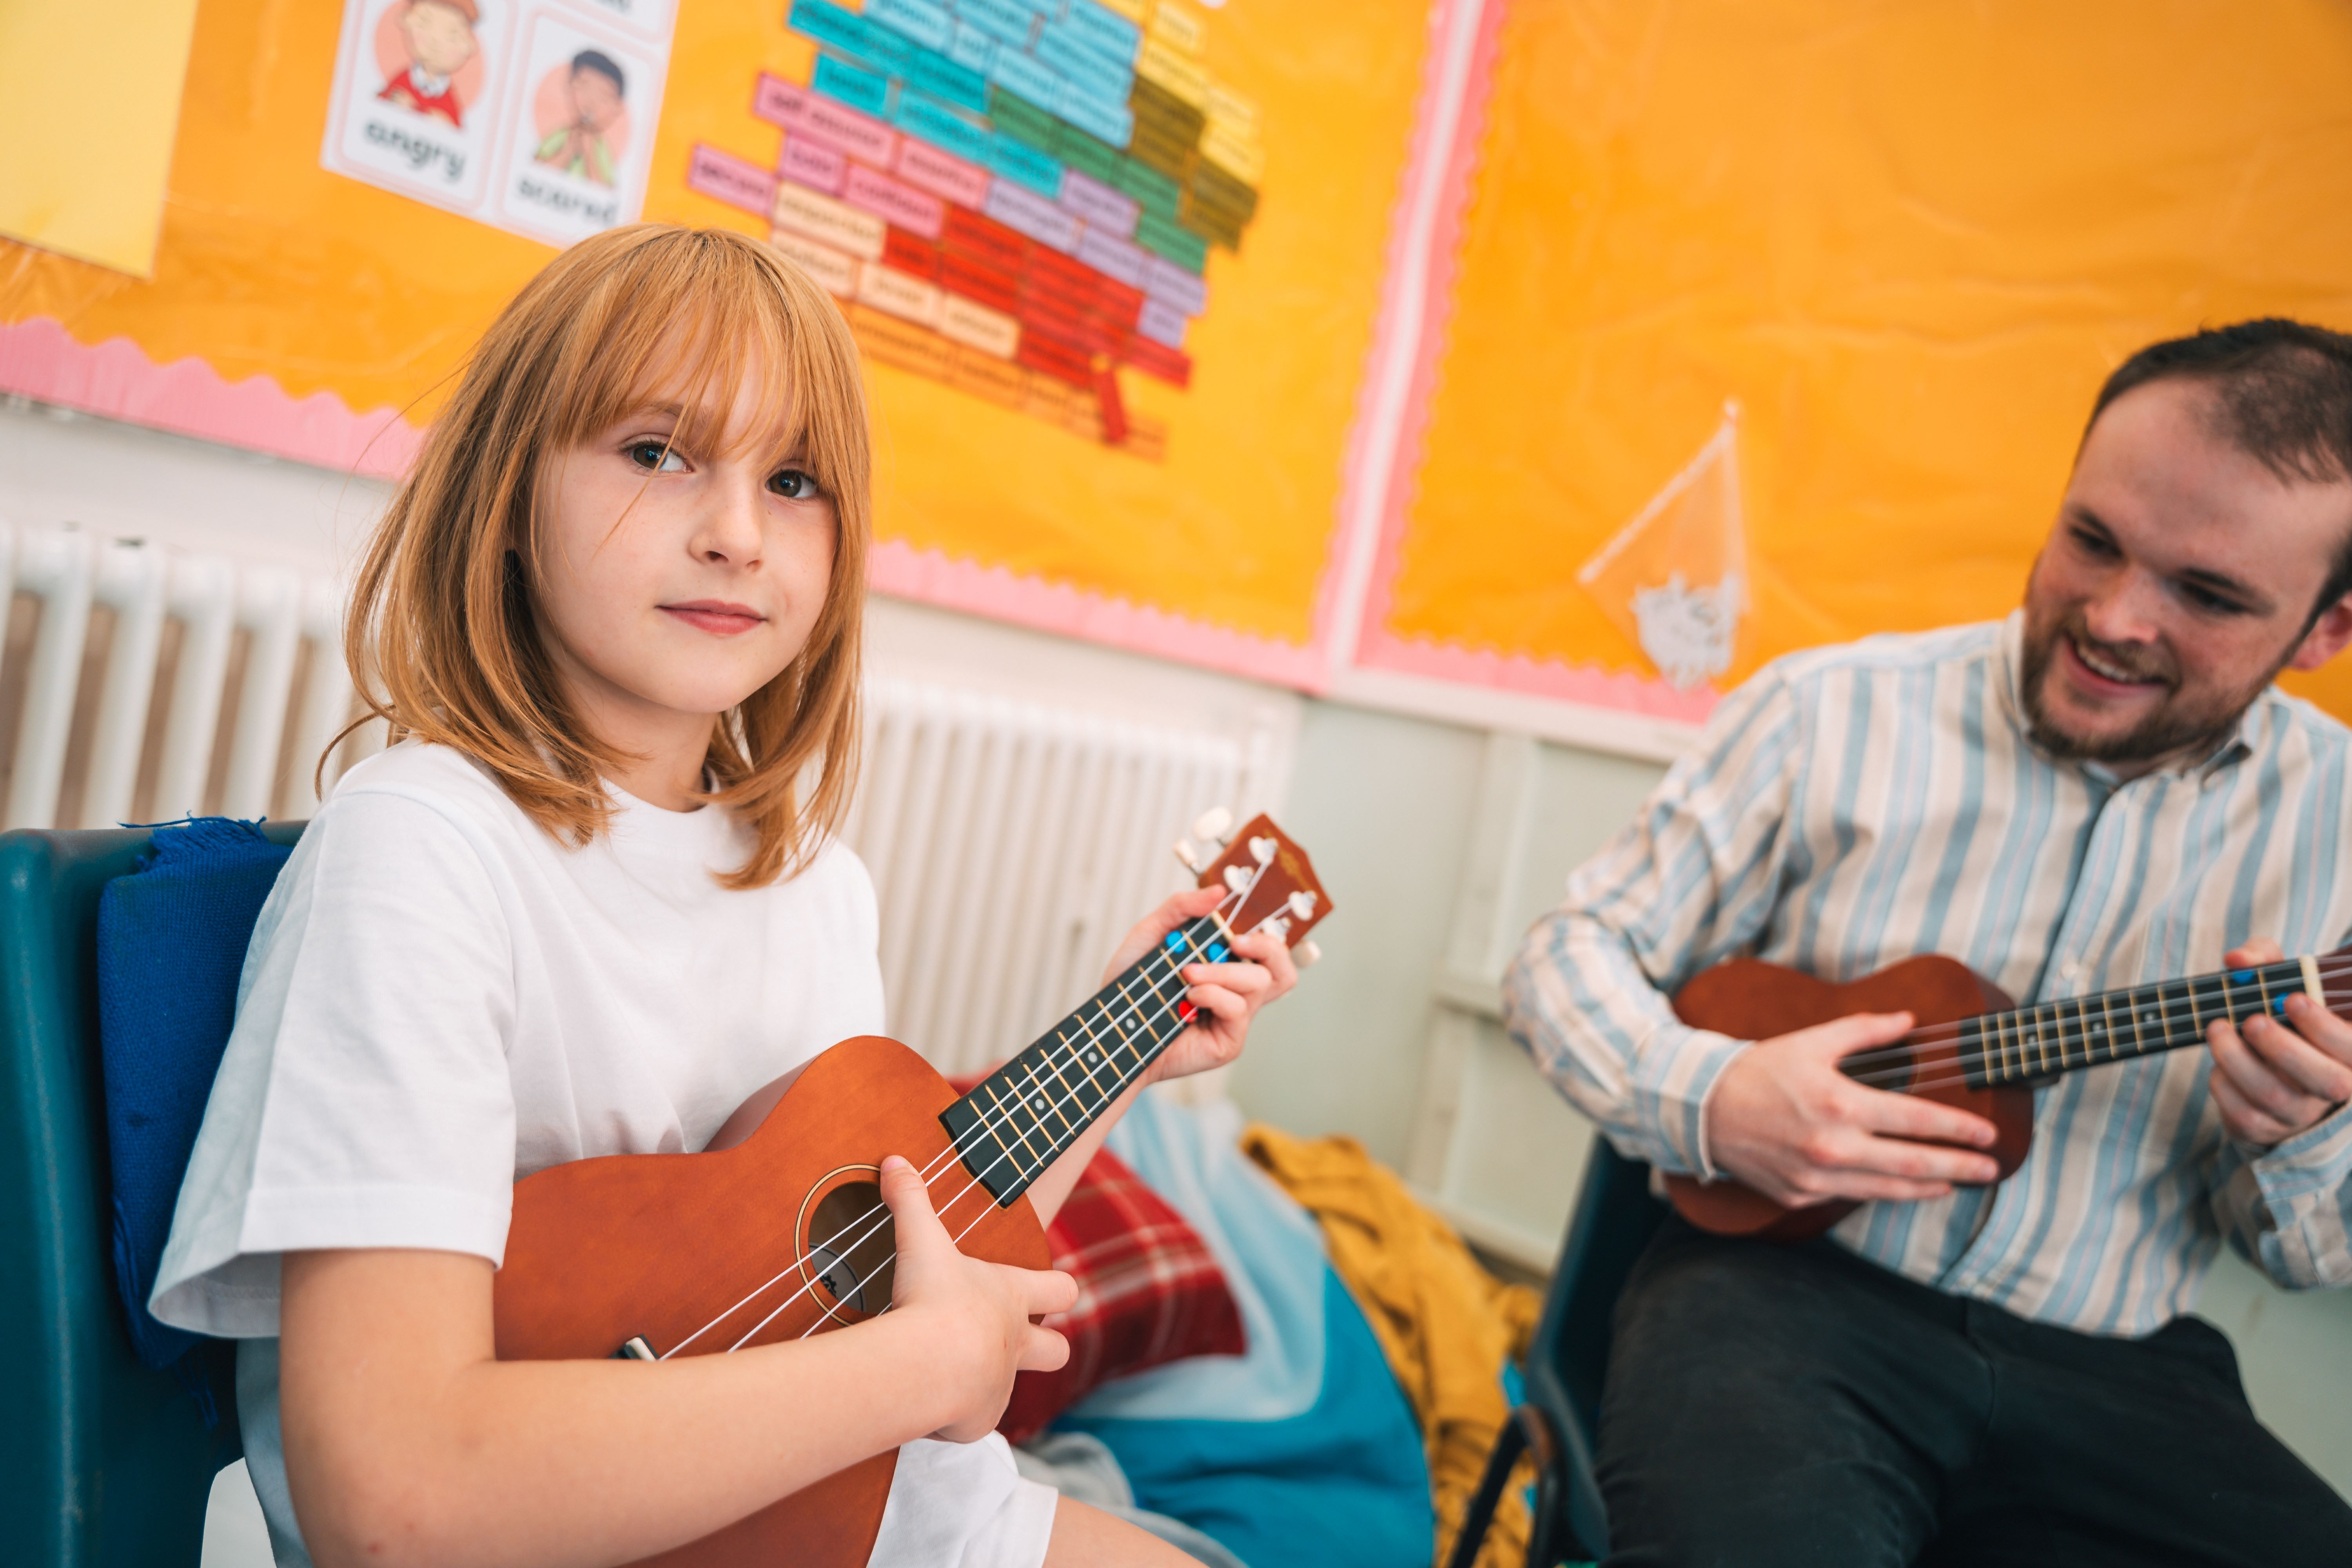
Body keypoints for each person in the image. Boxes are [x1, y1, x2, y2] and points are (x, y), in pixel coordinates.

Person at [149, 224, 1294, 1568]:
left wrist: (1125, 1038)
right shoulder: (421, 852)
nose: (739, 533)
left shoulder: (817, 890)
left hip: (827, 1507)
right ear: (508, 496)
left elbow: (840, 1249)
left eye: (796, 480)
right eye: (655, 452)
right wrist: (924, 1372)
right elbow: (396, 1500)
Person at [1505, 319, 2352, 1566]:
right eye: (2090, 540)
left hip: (2121, 1369)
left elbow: (2302, 1254)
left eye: (2207, 594)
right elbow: (1564, 949)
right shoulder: (1825, 710)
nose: (2114, 618)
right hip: (1778, 1299)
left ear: (2324, 630)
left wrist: (2305, 1134)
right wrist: (1712, 1091)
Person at [378, 0, 480, 130]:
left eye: (452, 35)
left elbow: (456, 132)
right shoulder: (402, 81)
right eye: (425, 23)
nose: (435, 41)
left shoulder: (449, 100)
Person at [535, 50, 626, 187]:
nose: (591, 102)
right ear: (570, 87)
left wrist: (589, 152)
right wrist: (569, 150)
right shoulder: (561, 136)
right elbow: (536, 171)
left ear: (617, 109)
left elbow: (605, 190)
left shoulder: (602, 149)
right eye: (583, 86)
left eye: (603, 97)